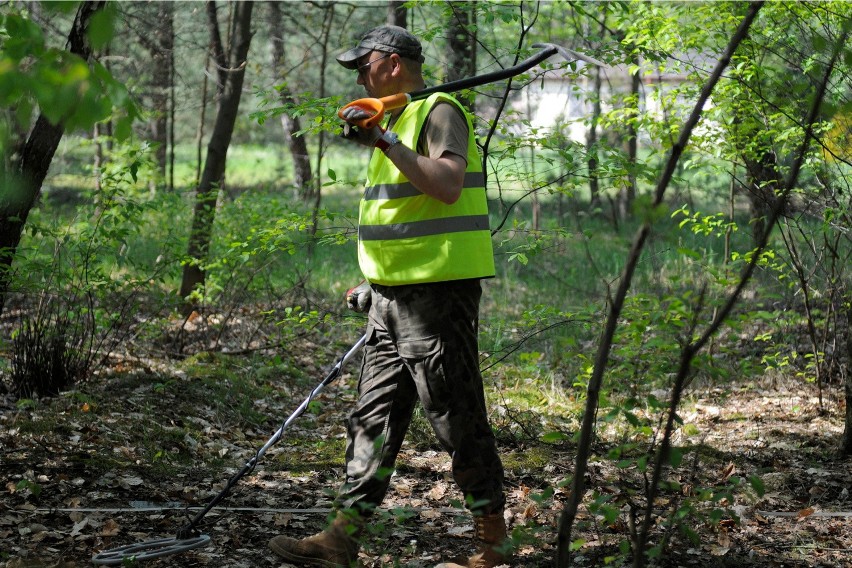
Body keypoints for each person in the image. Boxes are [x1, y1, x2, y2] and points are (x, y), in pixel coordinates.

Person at [269, 25, 509, 568]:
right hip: (390, 299)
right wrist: (374, 282)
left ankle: (494, 543)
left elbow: (446, 185)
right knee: (371, 419)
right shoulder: (397, 119)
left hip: (436, 299)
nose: (359, 75)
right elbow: (400, 215)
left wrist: (384, 140)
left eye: (364, 64)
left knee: (456, 417)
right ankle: (340, 539)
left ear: (394, 64)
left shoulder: (438, 112)